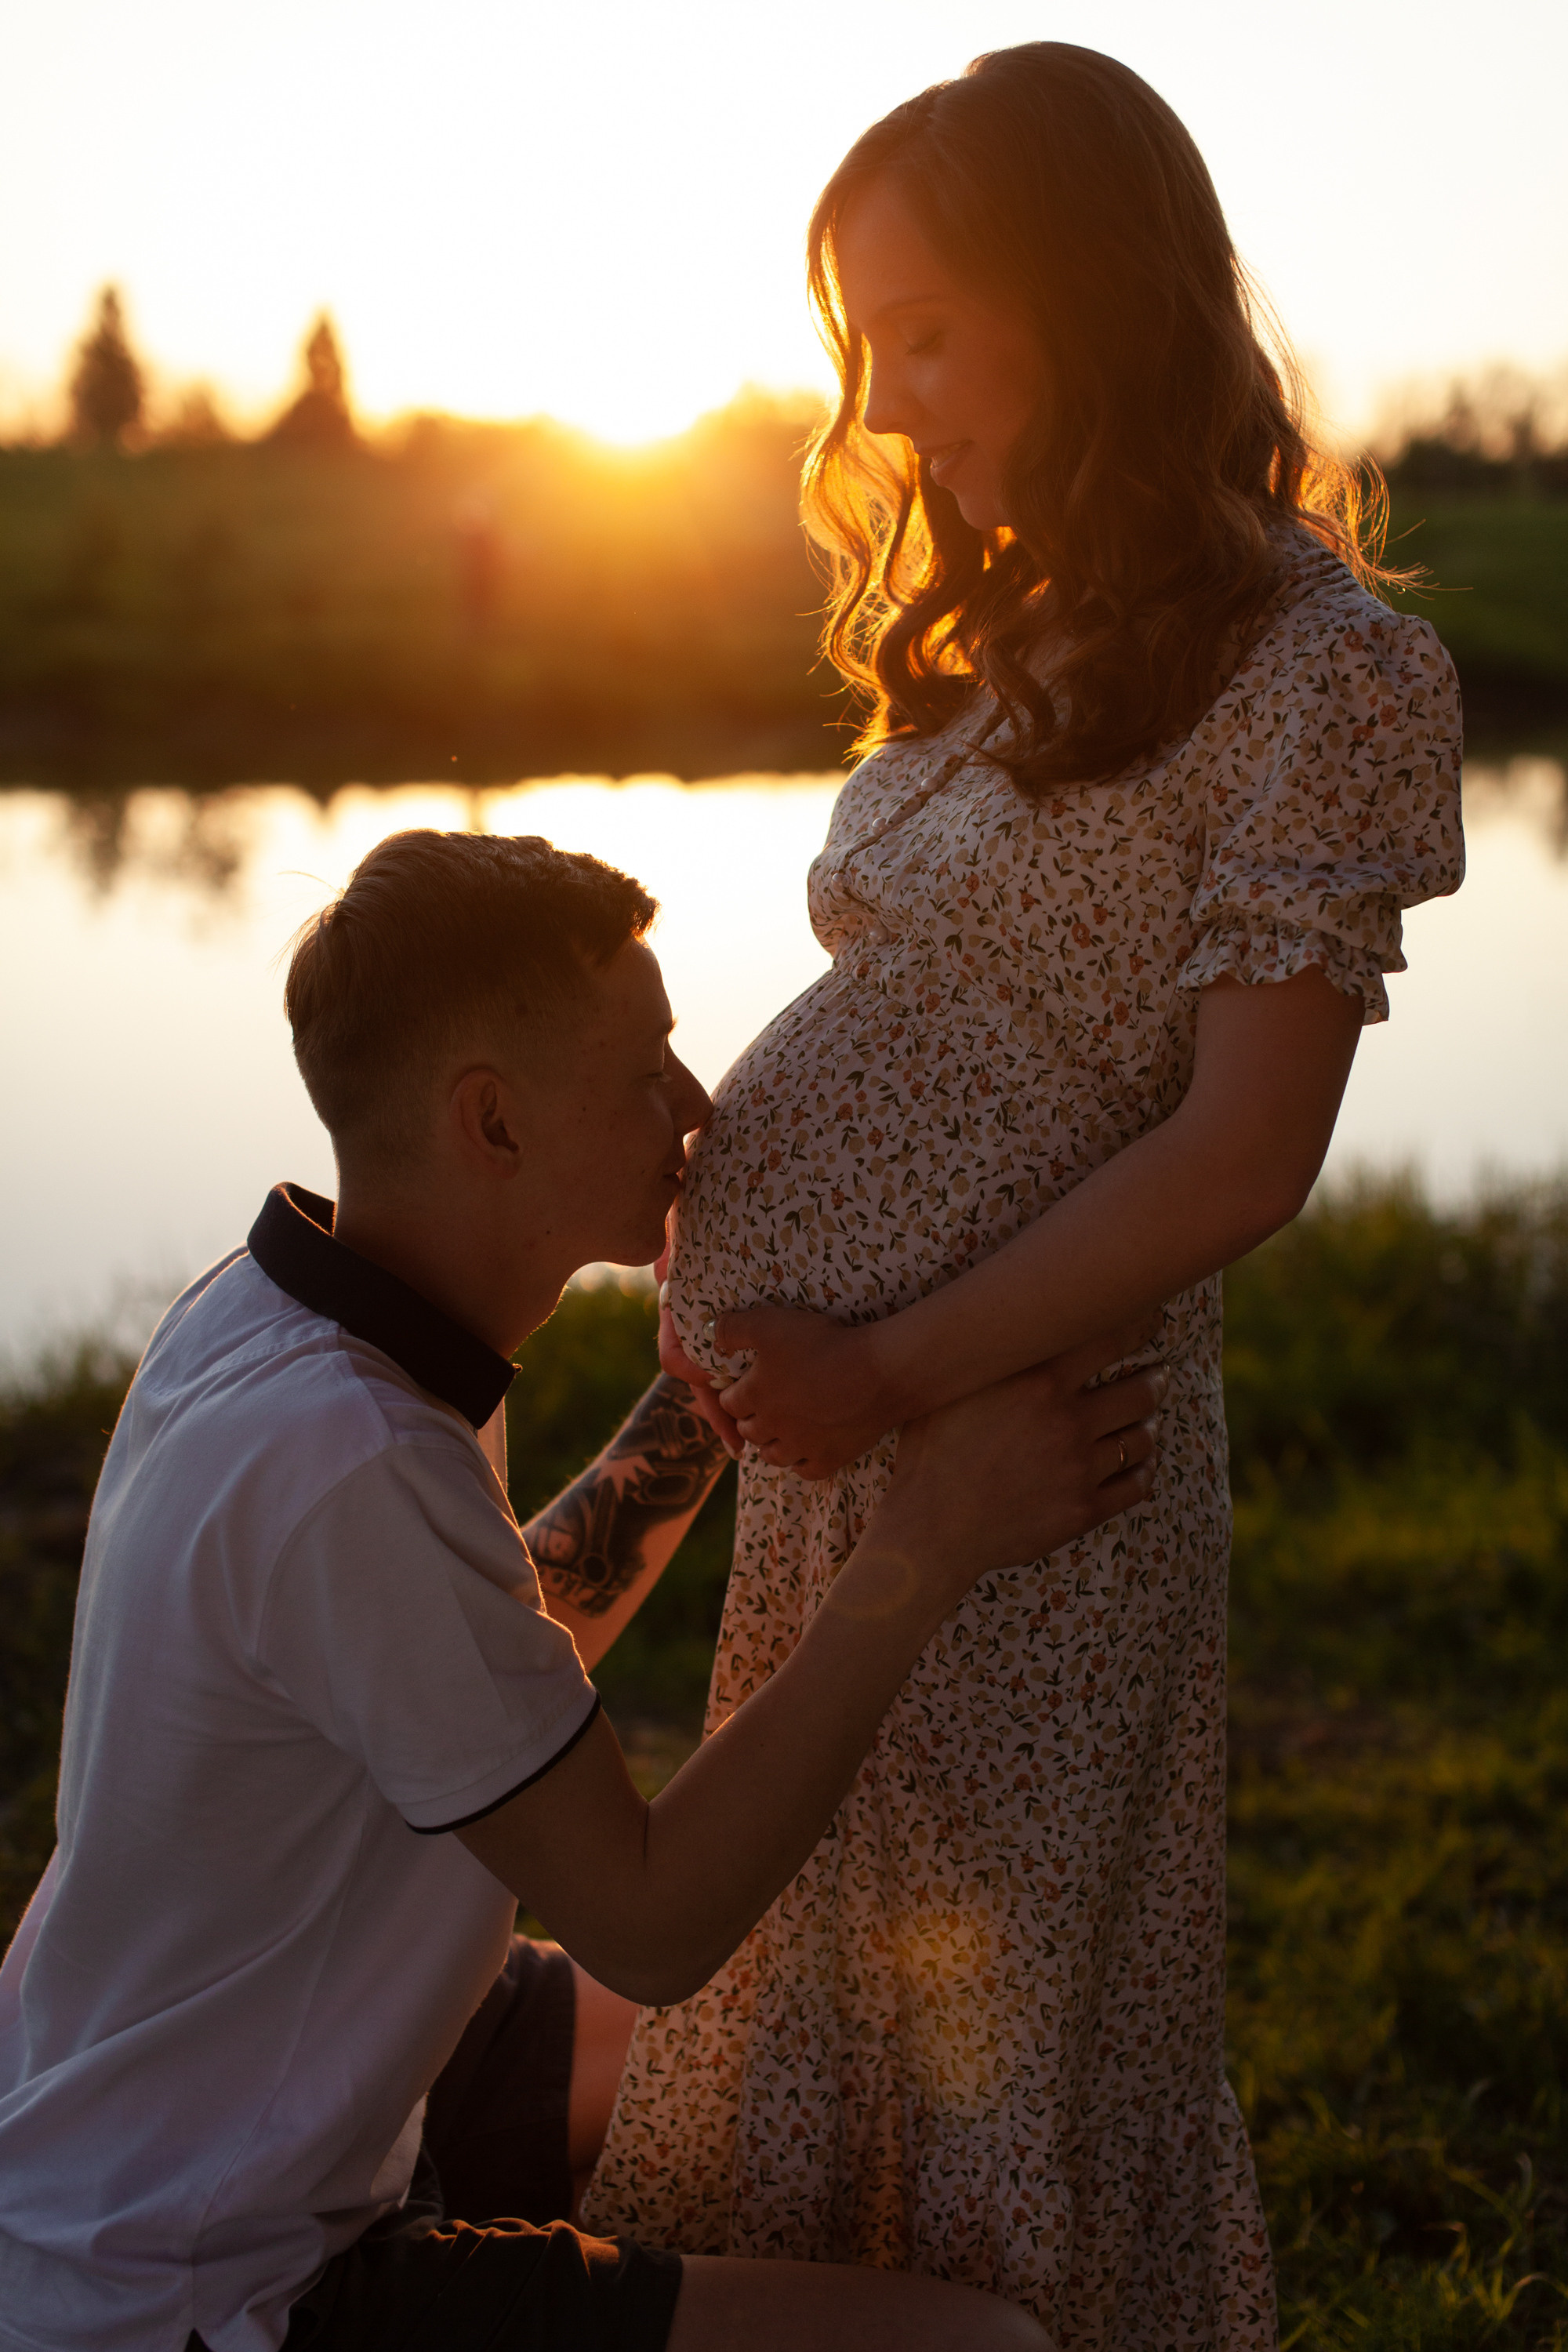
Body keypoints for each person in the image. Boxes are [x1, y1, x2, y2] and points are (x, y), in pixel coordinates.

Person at [583, 40, 1465, 2350]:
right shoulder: (989, 639)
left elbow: (1240, 1156)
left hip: (1024, 1482)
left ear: (1094, 298)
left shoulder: (1327, 674)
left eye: (929, 330)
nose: (882, 399)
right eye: (858, 340)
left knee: (994, 2059)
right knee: (814, 2006)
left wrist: (880, 1363)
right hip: (847, 1470)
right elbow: (940, 1056)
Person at [0, 828, 1165, 2352]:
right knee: (984, 2349)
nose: (697, 1110)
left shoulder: (284, 1319)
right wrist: (928, 1540)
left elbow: (474, 1652)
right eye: (646, 1070)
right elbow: (649, 1916)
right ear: (491, 1123)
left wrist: (698, 1417)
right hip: (199, 2283)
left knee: (767, 2061)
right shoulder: (347, 1456)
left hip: (230, 2081)